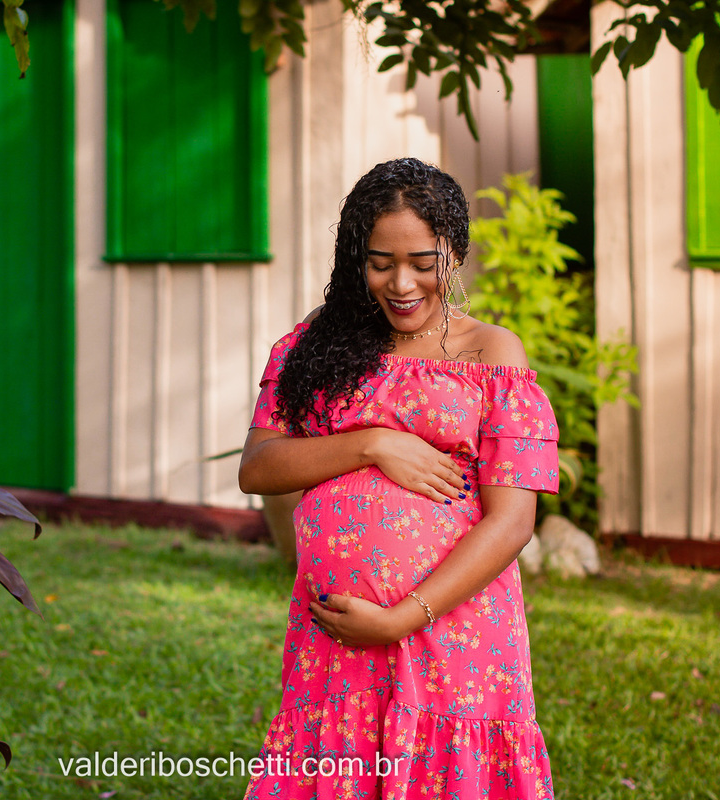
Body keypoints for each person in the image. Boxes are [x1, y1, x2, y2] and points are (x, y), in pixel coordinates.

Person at [239, 158, 558, 800]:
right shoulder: (316, 347)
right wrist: (371, 444)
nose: (402, 282)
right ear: (356, 258)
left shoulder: (491, 353)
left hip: (454, 633)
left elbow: (512, 519)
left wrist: (400, 620)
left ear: (456, 253)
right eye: (381, 262)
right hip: (338, 641)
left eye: (423, 261)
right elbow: (260, 467)